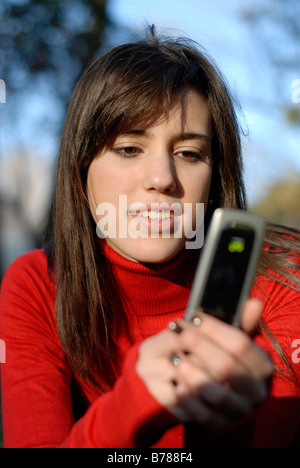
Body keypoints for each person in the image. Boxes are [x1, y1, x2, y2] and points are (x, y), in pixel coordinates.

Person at [0, 29, 300, 449]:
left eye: (189, 153)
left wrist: (225, 424)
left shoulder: (284, 282)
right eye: (129, 148)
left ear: (215, 178)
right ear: (80, 165)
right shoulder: (38, 285)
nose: (162, 179)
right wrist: (135, 402)